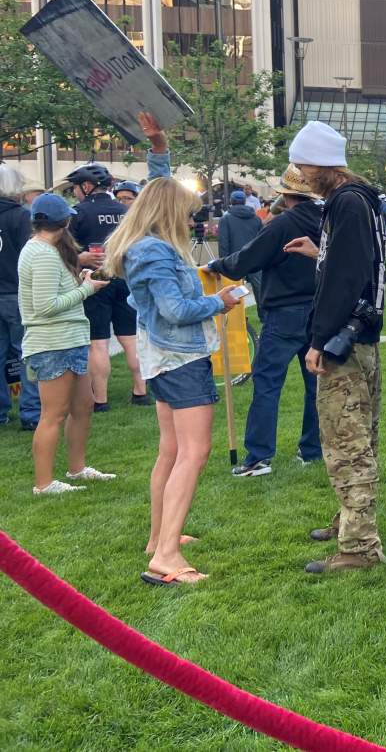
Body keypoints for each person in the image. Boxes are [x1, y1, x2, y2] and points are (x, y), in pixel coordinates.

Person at [106, 139, 243, 583]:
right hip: (179, 360)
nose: (191, 219)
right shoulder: (156, 251)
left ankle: (159, 537)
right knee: (194, 453)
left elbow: (157, 187)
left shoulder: (148, 244)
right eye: (186, 212)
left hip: (162, 358)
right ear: (168, 213)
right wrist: (218, 303)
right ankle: (165, 555)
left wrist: (158, 152)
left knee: (171, 449)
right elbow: (176, 311)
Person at [282, 121, 386, 575]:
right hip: (363, 336)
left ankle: (360, 547)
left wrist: (319, 340)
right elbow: (356, 264)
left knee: (347, 444)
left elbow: (345, 278)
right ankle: (351, 521)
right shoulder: (365, 200)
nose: (301, 175)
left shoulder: (345, 203)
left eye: (304, 165)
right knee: (361, 437)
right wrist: (319, 252)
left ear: (323, 163)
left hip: (344, 341)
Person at [206, 165, 324, 477]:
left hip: (285, 311)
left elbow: (247, 259)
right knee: (316, 384)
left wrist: (216, 264)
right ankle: (312, 449)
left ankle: (258, 456)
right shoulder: (330, 219)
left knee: (268, 382)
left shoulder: (283, 224)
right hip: (319, 310)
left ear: (285, 194)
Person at [18, 194, 116, 494]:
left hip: (69, 340)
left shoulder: (43, 250)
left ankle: (77, 469)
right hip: (53, 343)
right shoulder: (43, 254)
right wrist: (87, 288)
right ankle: (44, 483)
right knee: (54, 414)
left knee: (83, 407)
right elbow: (45, 306)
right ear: (64, 222)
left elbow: (55, 294)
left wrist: (80, 282)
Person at [65, 162, 153, 413]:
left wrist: (81, 257)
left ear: (87, 186)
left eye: (76, 187)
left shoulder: (77, 213)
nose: (75, 192)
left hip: (94, 280)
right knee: (131, 339)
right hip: (125, 279)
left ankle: (100, 400)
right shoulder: (126, 211)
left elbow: (68, 249)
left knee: (99, 343)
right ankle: (140, 391)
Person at [0, 164, 40, 430]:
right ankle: (31, 412)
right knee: (29, 354)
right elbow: (32, 257)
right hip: (16, 293)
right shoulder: (22, 217)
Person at [218, 189, 263, 301]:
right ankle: (265, 317)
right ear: (244, 201)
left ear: (231, 201)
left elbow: (223, 243)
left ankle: (239, 318)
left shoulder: (226, 219)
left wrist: (224, 263)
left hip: (235, 261)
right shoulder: (256, 218)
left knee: (234, 294)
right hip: (255, 260)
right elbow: (262, 239)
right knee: (260, 291)